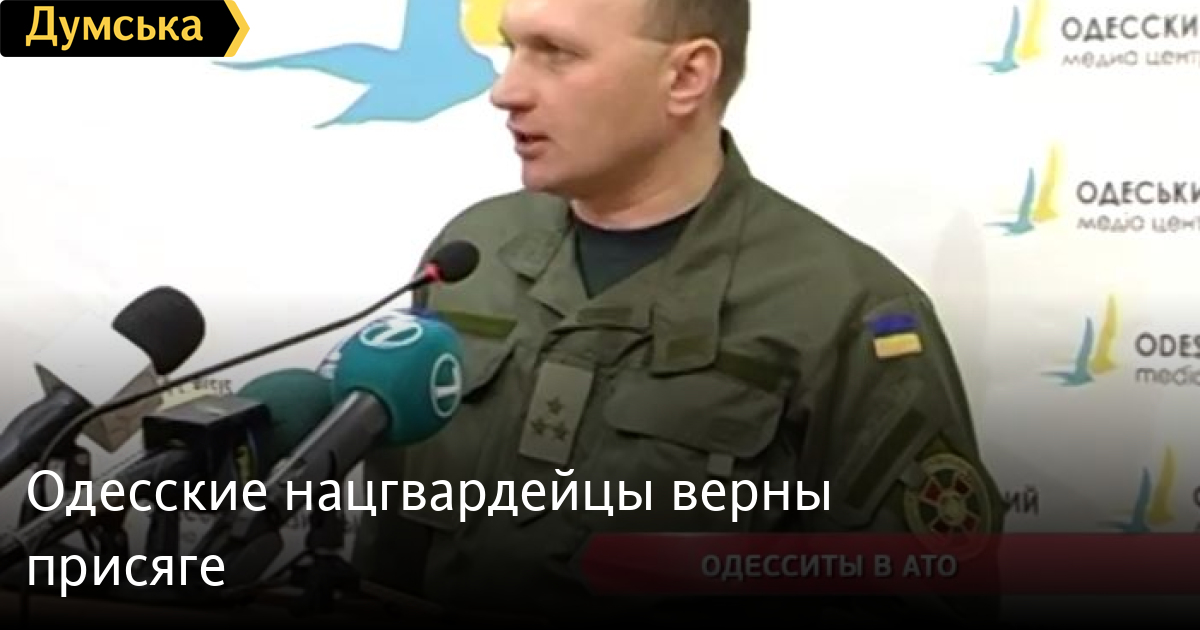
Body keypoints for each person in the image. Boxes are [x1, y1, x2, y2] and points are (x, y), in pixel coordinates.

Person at [352, 0, 1005, 624]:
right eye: (511, 48)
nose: (506, 90)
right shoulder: (473, 257)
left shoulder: (846, 311)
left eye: (556, 53)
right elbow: (391, 555)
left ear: (687, 76)